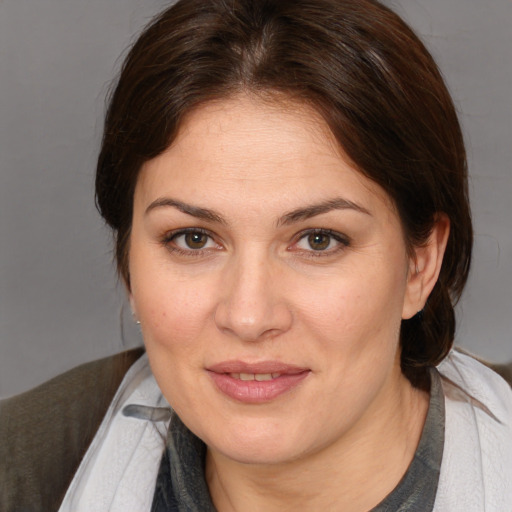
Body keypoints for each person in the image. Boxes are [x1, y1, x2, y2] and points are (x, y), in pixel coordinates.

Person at [1, 0, 511, 511]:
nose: (248, 316)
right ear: (128, 264)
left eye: (318, 240)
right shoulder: (21, 474)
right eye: (193, 239)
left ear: (420, 264)